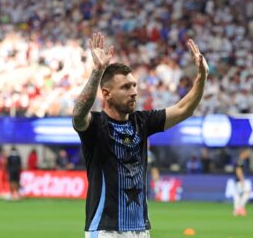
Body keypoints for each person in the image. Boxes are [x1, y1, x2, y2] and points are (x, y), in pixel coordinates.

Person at [72, 32, 208, 238]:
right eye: (126, 87)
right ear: (107, 93)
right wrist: (97, 72)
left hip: (140, 229)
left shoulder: (142, 122)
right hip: (106, 229)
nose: (134, 91)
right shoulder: (96, 126)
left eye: (134, 85)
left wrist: (202, 77)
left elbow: (184, 109)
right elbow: (78, 114)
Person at [233, 148, 250, 216]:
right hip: (240, 180)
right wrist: (242, 179)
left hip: (240, 180)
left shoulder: (242, 160)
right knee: (245, 193)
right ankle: (239, 209)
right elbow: (238, 170)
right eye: (247, 153)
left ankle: (237, 210)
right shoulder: (240, 161)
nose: (248, 155)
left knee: (238, 195)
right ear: (243, 153)